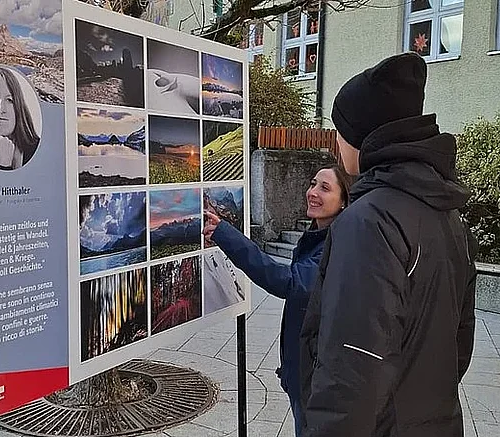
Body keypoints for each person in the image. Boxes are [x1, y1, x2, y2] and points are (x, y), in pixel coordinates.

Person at [298, 52, 479, 436]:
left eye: (340, 130)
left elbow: (349, 372)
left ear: (363, 134)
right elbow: (458, 344)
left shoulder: (368, 222)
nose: (337, 141)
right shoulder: (447, 216)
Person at [203, 164, 352, 437]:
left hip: (316, 380)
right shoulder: (318, 237)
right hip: (305, 373)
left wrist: (226, 234)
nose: (312, 192)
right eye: (312, 183)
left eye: (324, 188)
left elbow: (286, 281)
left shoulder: (336, 245)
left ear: (344, 202)